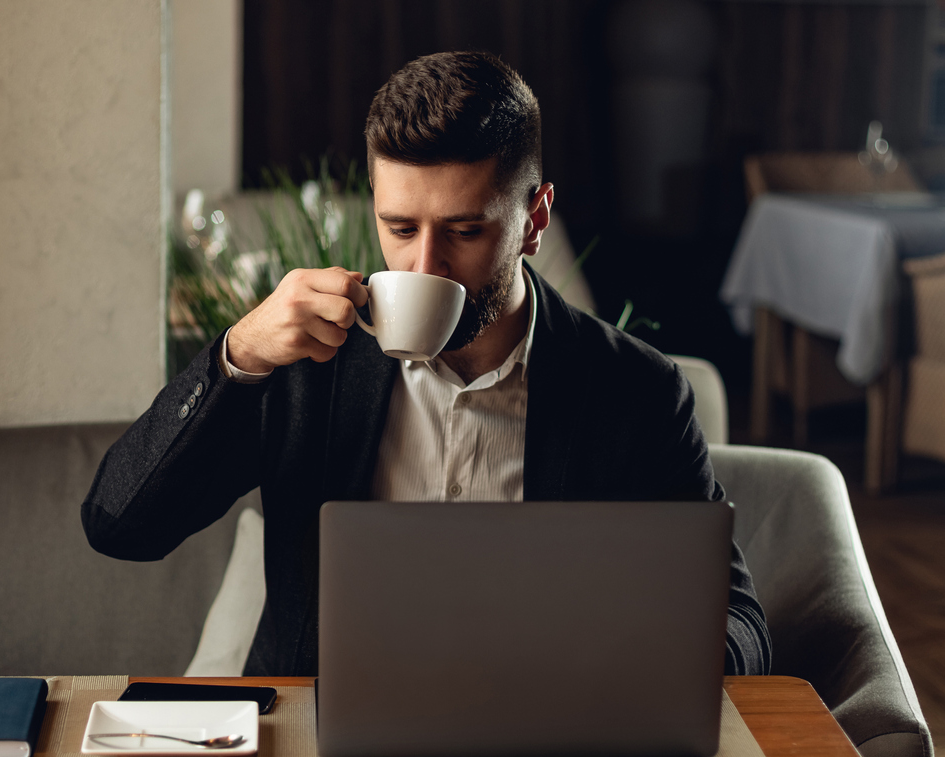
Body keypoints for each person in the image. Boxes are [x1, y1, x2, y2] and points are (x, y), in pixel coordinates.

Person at [82, 51, 771, 677]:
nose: (425, 266)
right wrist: (240, 356)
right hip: (321, 752)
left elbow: (740, 624)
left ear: (534, 218)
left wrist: (654, 660)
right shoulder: (307, 362)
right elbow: (121, 527)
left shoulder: (636, 392)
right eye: (400, 229)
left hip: (546, 756)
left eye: (465, 231)